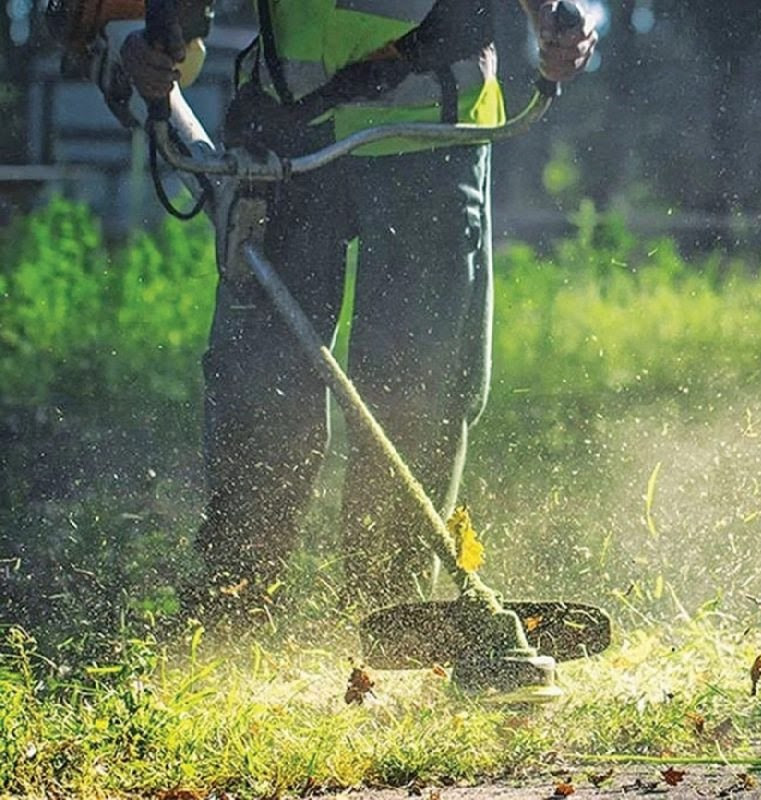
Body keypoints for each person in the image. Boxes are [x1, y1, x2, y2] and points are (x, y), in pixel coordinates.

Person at [120, 0, 597, 622]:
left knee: (415, 387)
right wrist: (157, 40)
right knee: (262, 383)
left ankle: (390, 614)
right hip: (287, 134)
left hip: (431, 133)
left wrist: (561, 18)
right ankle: (233, 600)